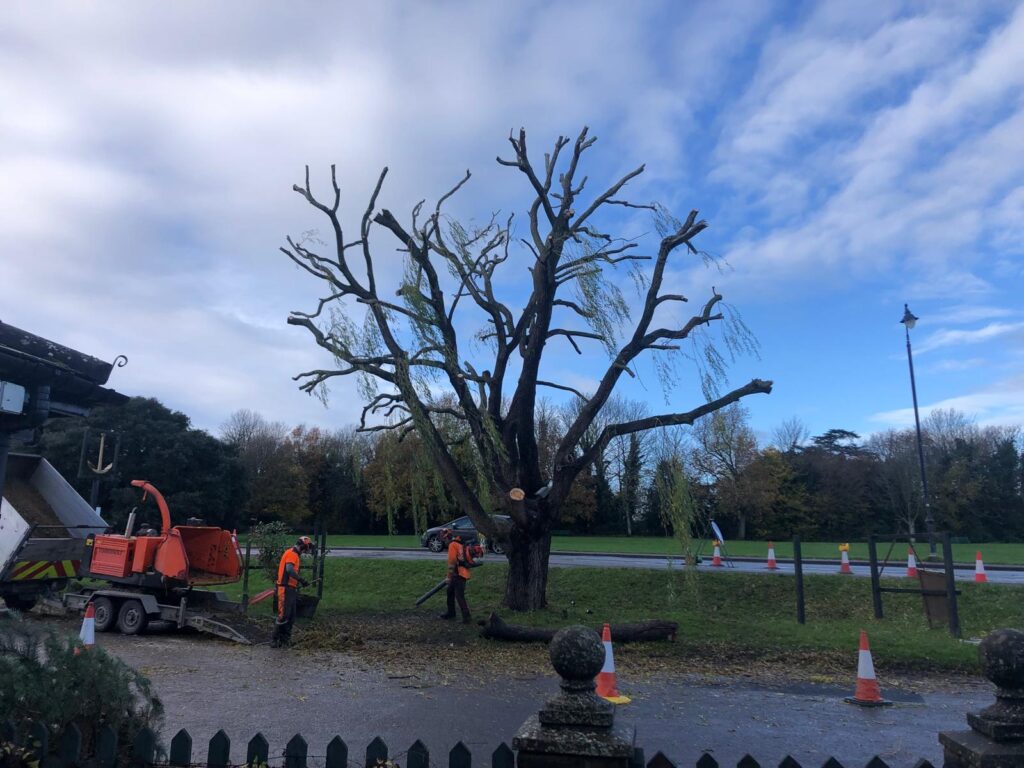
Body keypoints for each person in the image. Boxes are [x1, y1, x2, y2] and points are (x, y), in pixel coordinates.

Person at [272, 535, 314, 648]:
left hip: (290, 588)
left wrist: (297, 583)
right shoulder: (292, 554)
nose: (307, 551)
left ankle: (285, 640)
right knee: (284, 615)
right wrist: (301, 580)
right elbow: (289, 570)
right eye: (307, 548)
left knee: (291, 616)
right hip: (284, 588)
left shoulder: (295, 554)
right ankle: (275, 640)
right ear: (303, 546)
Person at [438, 528, 476, 624]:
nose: (444, 542)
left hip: (458, 574)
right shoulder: (459, 544)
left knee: (459, 596)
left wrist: (449, 577)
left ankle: (467, 618)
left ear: (447, 538)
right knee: (450, 592)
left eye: (444, 540)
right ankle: (451, 613)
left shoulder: (452, 545)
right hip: (461, 572)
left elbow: (452, 563)